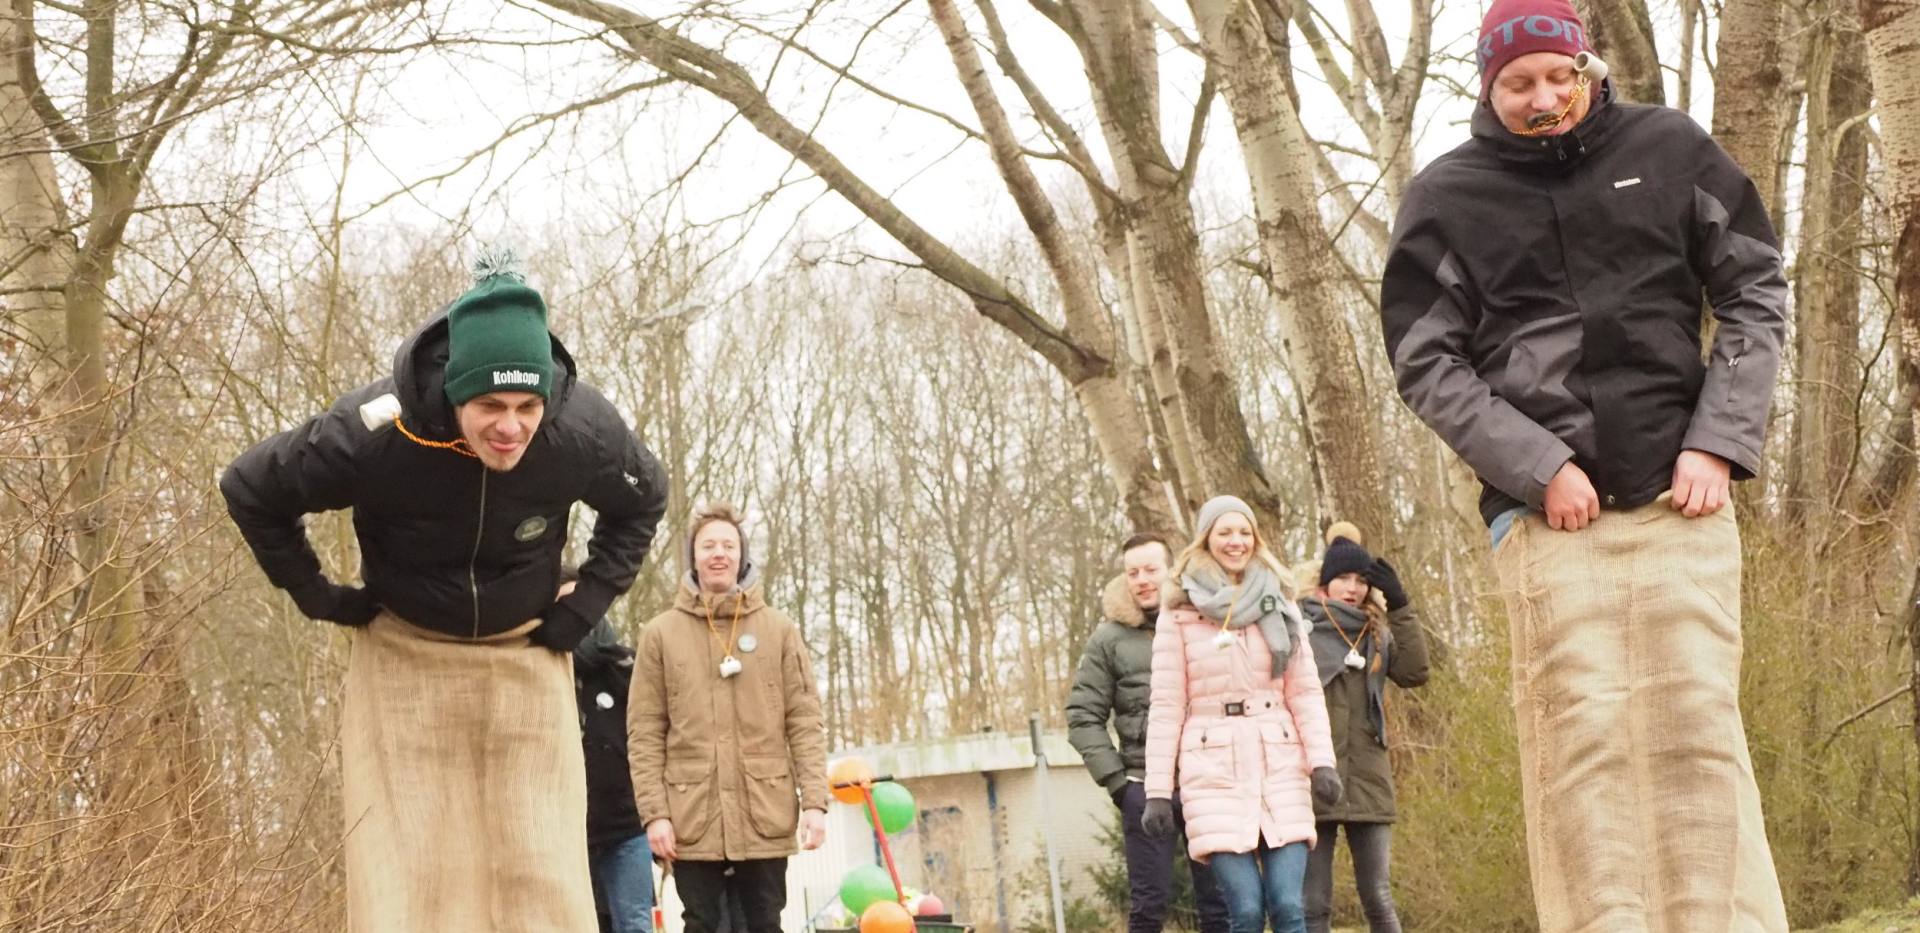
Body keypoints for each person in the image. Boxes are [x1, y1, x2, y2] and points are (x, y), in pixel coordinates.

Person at [1379, 0, 1790, 925]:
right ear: (1488, 87)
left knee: (1698, 737)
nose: (1544, 98)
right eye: (1519, 83)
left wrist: (1719, 440)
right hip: (1550, 521)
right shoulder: (1447, 199)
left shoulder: (1674, 149)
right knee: (1583, 753)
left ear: (1586, 66)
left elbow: (1756, 288)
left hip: (1686, 499)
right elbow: (1424, 360)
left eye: (1559, 76)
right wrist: (1538, 465)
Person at [219, 252, 669, 932]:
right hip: (407, 649)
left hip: (525, 649)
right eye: (489, 405)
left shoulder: (581, 430)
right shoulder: (375, 430)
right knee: (405, 869)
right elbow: (250, 487)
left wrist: (583, 606)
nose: (510, 427)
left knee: (543, 866)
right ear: (454, 392)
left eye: (526, 406)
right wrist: (320, 595)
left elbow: (645, 499)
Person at [1142, 495, 1341, 933]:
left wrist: (1322, 762)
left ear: (1256, 538)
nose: (1236, 542)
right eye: (1225, 532)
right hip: (1213, 771)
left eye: (1244, 532)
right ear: (1206, 539)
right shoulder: (1180, 612)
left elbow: (1305, 691)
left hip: (1280, 764)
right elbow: (1166, 706)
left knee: (1289, 906)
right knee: (1247, 911)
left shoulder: (1280, 603)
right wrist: (1157, 789)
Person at [628, 503, 829, 933]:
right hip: (691, 816)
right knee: (702, 923)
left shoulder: (779, 630)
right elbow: (644, 732)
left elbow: (805, 719)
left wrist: (814, 802)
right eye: (708, 545)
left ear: (742, 556)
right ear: (693, 557)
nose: (718, 554)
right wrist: (655, 814)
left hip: (765, 809)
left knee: (764, 921)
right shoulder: (660, 635)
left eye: (728, 545)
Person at [1067, 533, 1230, 933]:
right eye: (1132, 572)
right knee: (1148, 908)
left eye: (1150, 570)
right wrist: (1121, 785)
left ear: (1171, 571)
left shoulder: (1205, 624)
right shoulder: (1109, 639)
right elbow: (1082, 716)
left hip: (1206, 781)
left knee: (1221, 903)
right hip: (1143, 784)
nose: (1141, 579)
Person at [1293, 524, 1429, 933]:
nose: (1352, 588)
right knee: (1313, 904)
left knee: (1378, 896)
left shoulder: (1378, 635)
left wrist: (1401, 605)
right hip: (1315, 777)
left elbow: (1416, 672)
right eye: (1343, 579)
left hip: (1369, 776)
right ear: (1325, 584)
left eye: (1360, 581)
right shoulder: (1300, 630)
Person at [575, 614, 655, 933]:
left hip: (628, 826)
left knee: (634, 923)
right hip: (569, 831)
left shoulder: (627, 672)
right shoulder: (544, 673)